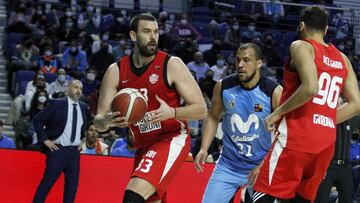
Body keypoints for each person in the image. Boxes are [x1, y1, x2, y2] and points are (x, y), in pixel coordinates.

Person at [94, 13, 207, 203]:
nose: (153, 37)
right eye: (146, 32)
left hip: (171, 138)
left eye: (156, 32)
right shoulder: (116, 71)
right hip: (144, 146)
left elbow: (202, 109)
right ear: (133, 35)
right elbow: (98, 122)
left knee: (132, 197)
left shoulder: (171, 64)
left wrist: (172, 112)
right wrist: (104, 121)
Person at [253, 6, 360, 202]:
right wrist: (324, 118)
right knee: (301, 198)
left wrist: (277, 113)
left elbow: (311, 87)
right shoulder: (343, 59)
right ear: (326, 29)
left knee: (261, 192)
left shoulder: (301, 46)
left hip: (297, 137)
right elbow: (356, 104)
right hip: (325, 143)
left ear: (301, 25)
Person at [194, 43, 282, 203]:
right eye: (238, 60)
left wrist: (263, 165)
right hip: (228, 165)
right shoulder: (224, 86)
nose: (240, 65)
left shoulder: (273, 92)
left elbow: (284, 134)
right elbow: (213, 115)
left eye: (246, 60)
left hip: (260, 167)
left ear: (259, 63)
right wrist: (204, 148)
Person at [32, 80, 89, 203]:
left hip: (74, 154)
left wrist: (82, 140)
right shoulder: (56, 104)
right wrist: (45, 140)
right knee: (46, 185)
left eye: (81, 88)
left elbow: (84, 126)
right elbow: (37, 120)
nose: (78, 90)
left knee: (72, 188)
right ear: (68, 89)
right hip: (58, 151)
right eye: (75, 87)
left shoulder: (84, 107)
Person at [314, 96, 359, 203]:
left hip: (345, 167)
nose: (338, 103)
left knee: (347, 199)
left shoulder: (352, 118)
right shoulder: (325, 120)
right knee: (320, 199)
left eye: (340, 101)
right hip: (328, 167)